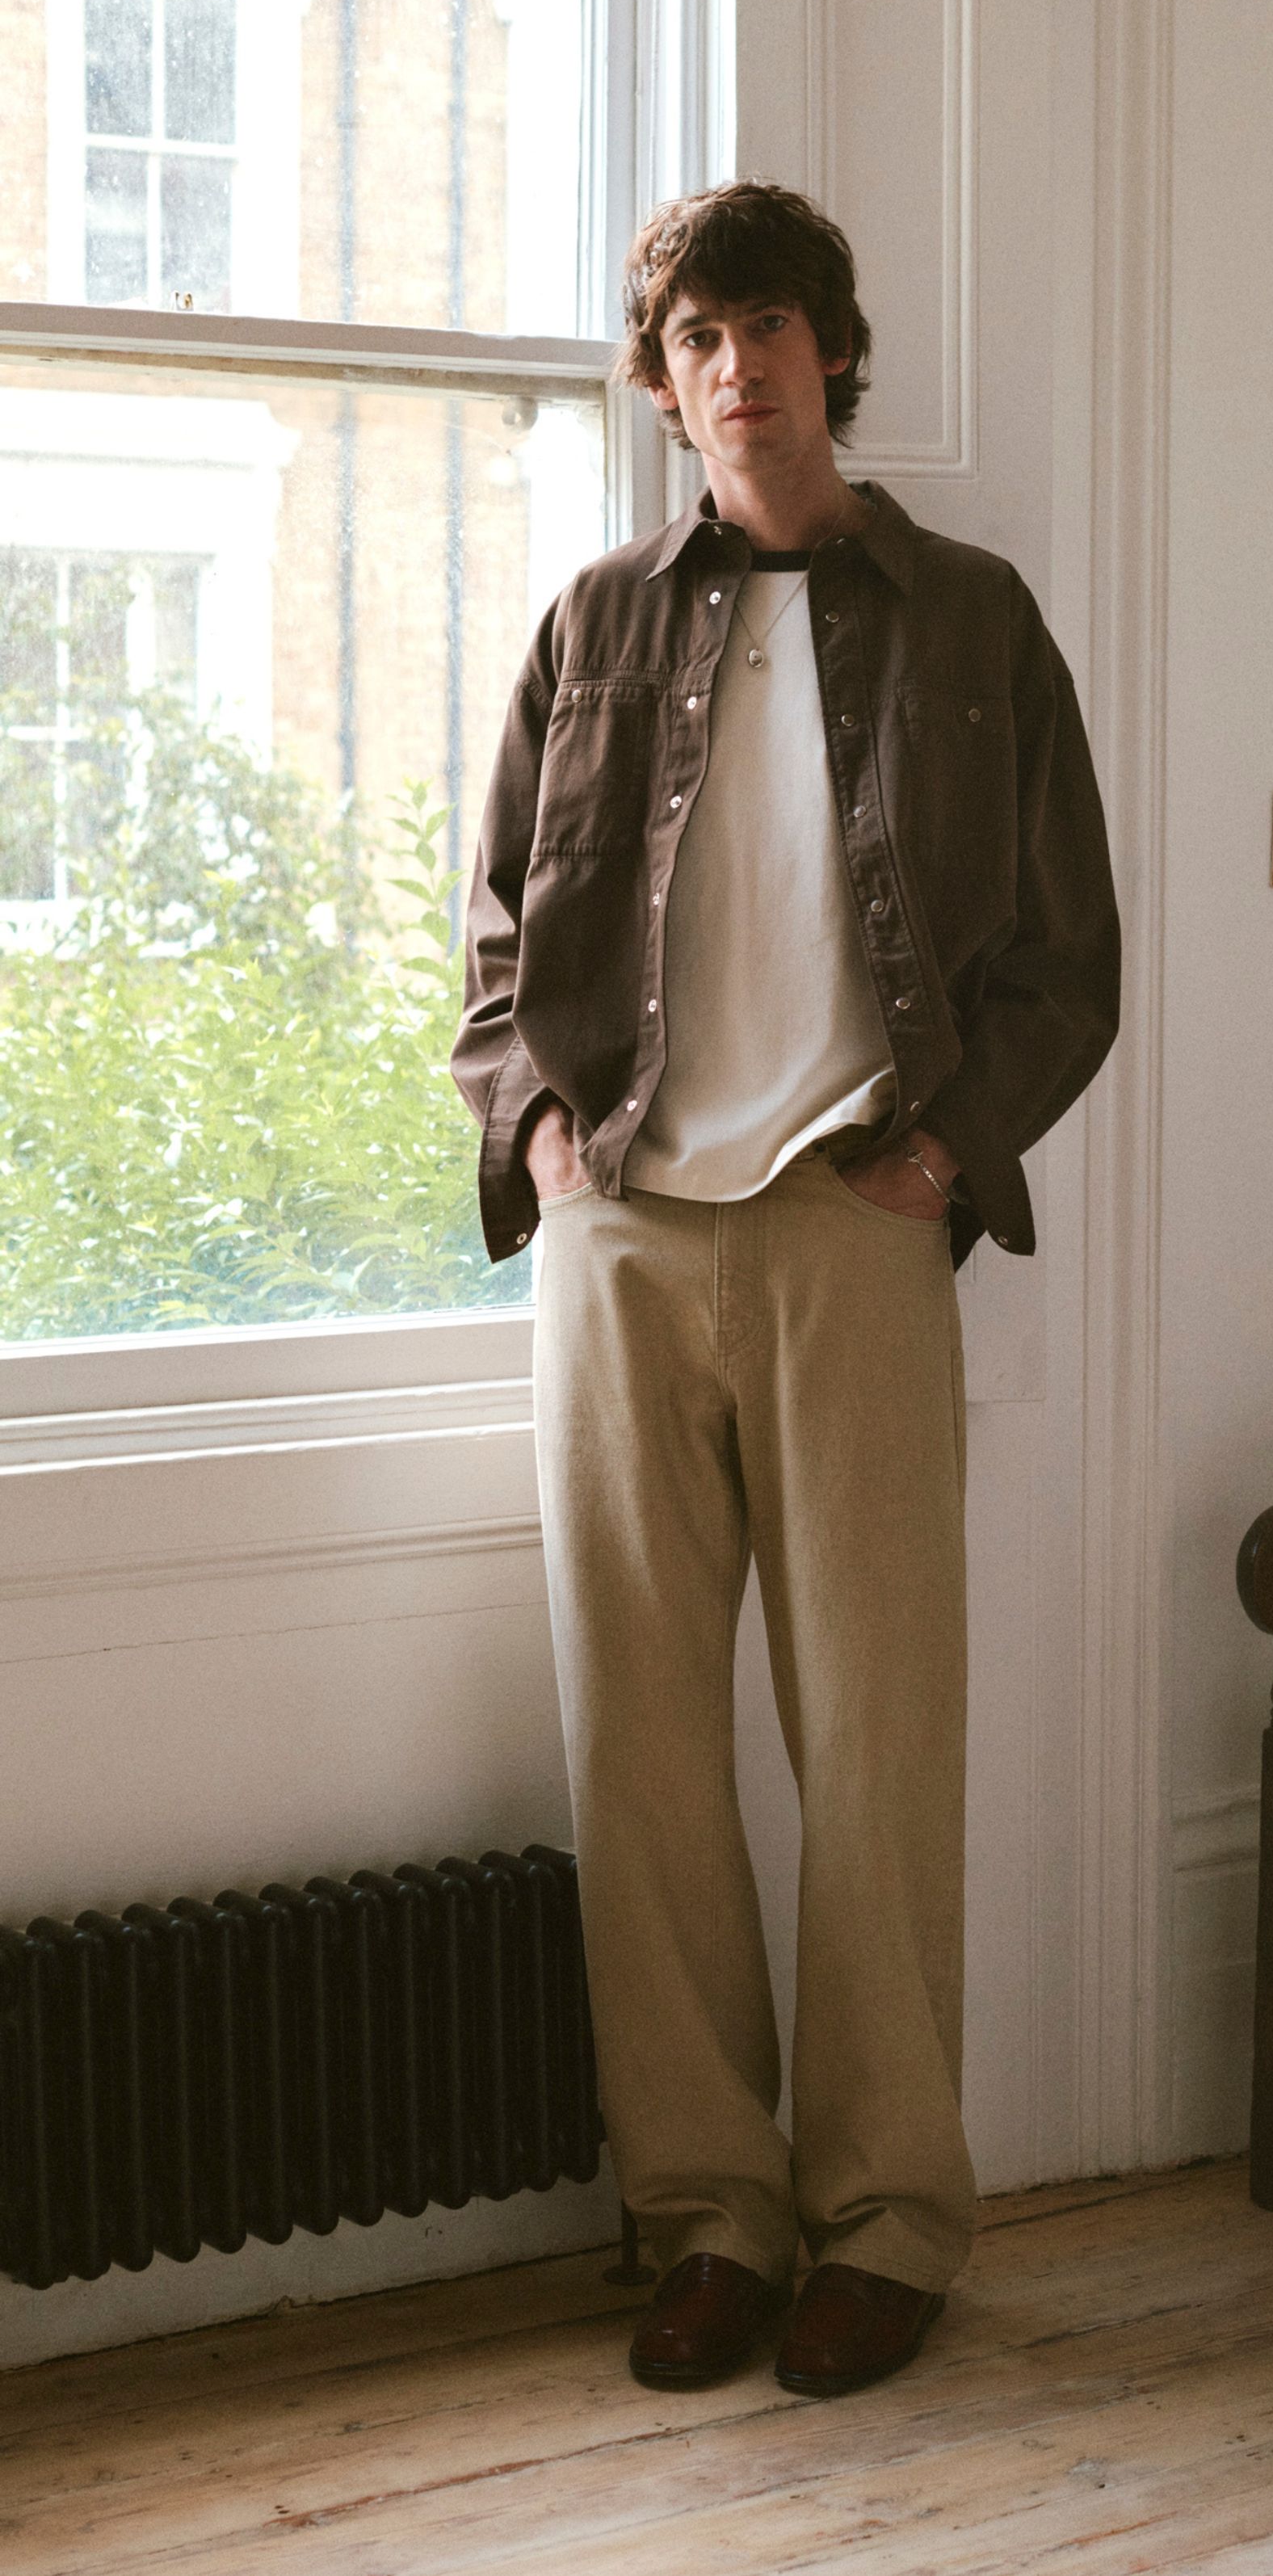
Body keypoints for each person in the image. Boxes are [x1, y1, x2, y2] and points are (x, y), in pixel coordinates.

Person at [452, 181, 1119, 2399]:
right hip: (624, 1239)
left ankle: (888, 2217)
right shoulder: (592, 627)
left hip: (854, 1225)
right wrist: (550, 1149)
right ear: (663, 387)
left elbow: (1070, 954)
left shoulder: (972, 620)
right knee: (640, 1751)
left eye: (774, 326)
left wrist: (941, 1154)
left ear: (837, 350)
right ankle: (712, 2215)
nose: (739, 366)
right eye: (699, 338)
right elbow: (491, 945)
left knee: (878, 1743)